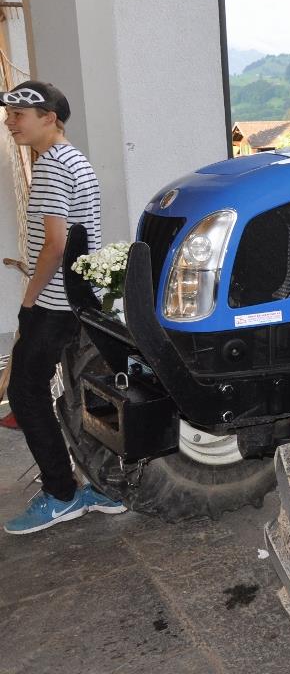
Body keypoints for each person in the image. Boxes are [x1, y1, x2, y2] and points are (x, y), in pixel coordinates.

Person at [1, 80, 125, 534]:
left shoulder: (53, 167)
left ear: (49, 117)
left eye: (19, 114)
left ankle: (61, 494)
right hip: (76, 297)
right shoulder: (76, 161)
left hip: (52, 302)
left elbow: (55, 246)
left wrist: (29, 303)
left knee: (26, 394)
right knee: (79, 392)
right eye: (9, 113)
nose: (10, 122)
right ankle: (92, 484)